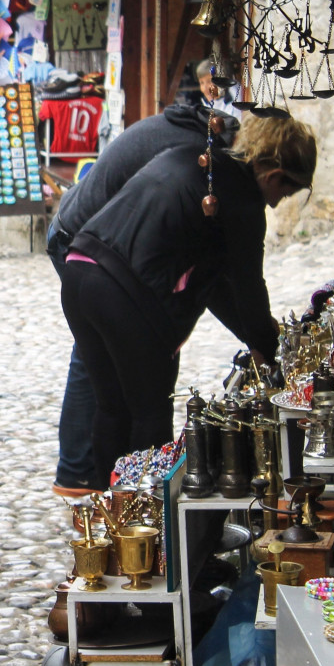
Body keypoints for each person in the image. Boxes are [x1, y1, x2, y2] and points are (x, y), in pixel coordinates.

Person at [61, 116, 315, 484]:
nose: (277, 204)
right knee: (150, 411)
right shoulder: (242, 198)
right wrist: (266, 346)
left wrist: (255, 338)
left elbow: (216, 288)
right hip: (123, 290)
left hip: (79, 270)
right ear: (274, 175)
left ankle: (114, 517)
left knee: (112, 406)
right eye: (286, 193)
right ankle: (150, 518)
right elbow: (246, 286)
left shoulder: (193, 156)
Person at [46, 104, 241, 492]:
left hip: (84, 239)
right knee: (106, 362)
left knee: (106, 360)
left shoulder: (175, 131)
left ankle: (90, 475)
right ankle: (94, 476)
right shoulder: (194, 156)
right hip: (85, 240)